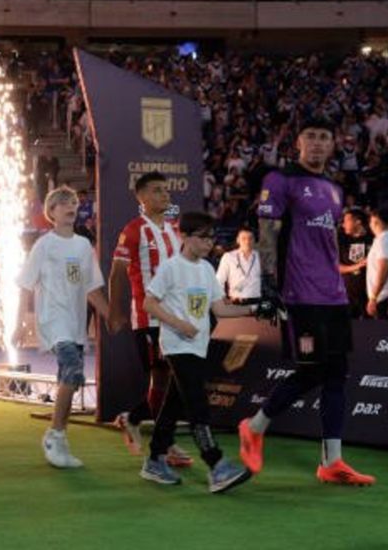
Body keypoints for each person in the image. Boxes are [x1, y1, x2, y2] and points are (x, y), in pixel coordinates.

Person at [239, 117, 375, 487]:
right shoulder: (280, 180)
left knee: (337, 375)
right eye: (310, 137)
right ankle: (254, 427)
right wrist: (268, 286)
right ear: (298, 142)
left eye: (324, 138)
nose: (317, 143)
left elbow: (326, 243)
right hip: (301, 296)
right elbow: (268, 233)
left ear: (333, 145)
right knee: (313, 370)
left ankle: (332, 461)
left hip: (333, 296)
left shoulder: (333, 188)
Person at [141, 211, 261, 493]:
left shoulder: (207, 269)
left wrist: (256, 308)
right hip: (176, 346)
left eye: (212, 237)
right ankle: (216, 465)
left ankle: (154, 460)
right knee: (197, 403)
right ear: (184, 236)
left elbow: (219, 308)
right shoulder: (170, 267)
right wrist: (179, 323)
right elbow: (149, 303)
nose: (209, 243)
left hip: (198, 346)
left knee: (173, 404)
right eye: (203, 237)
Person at [15, 186, 109, 469]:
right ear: (51, 212)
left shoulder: (82, 246)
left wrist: (110, 317)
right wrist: (21, 323)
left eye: (74, 202)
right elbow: (25, 284)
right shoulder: (44, 245)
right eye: (63, 203)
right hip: (53, 321)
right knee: (72, 371)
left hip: (76, 323)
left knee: (68, 379)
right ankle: (55, 435)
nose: (70, 206)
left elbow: (92, 288)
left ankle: (59, 437)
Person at [107, 172, 192, 467]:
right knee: (164, 377)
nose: (165, 195)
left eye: (166, 190)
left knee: (169, 380)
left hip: (175, 317)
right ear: (141, 197)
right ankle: (164, 443)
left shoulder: (173, 230)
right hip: (148, 319)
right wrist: (115, 311)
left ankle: (133, 420)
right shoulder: (133, 231)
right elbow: (117, 273)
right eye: (157, 191)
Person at [337, 209, 373, 318]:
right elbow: (337, 267)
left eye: (346, 220)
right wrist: (358, 266)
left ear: (358, 221)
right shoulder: (341, 240)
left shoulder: (372, 238)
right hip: (347, 294)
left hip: (368, 293)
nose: (343, 225)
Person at [215, 227, 262, 304]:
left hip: (256, 301)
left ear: (254, 240)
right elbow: (219, 280)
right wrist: (222, 298)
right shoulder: (229, 257)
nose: (247, 242)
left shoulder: (259, 256)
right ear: (238, 240)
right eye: (243, 238)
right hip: (236, 301)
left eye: (250, 238)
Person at [365, 209, 388, 319]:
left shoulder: (385, 240)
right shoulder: (381, 239)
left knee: (384, 334)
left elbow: (384, 270)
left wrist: (373, 298)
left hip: (384, 297)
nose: (369, 225)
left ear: (376, 221)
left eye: (371, 221)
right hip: (382, 296)